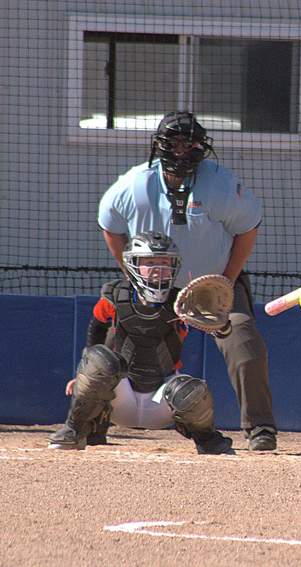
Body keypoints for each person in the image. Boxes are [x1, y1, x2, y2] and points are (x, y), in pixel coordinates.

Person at [97, 111, 277, 451]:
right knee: (111, 345)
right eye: (173, 143)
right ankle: (90, 421)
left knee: (244, 341)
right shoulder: (135, 184)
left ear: (202, 147)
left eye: (190, 143)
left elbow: (248, 228)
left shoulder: (221, 183)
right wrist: (132, 276)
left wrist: (226, 282)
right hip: (152, 286)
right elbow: (110, 224)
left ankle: (260, 429)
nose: (181, 150)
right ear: (159, 146)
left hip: (212, 285)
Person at [48, 232, 234, 455]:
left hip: (161, 399)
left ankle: (208, 440)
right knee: (100, 361)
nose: (159, 268)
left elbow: (221, 333)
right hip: (120, 397)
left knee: (190, 390)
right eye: (150, 262)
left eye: (165, 262)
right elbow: (96, 329)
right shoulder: (116, 295)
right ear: (132, 264)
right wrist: (82, 375)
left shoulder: (182, 301)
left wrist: (220, 324)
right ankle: (76, 430)